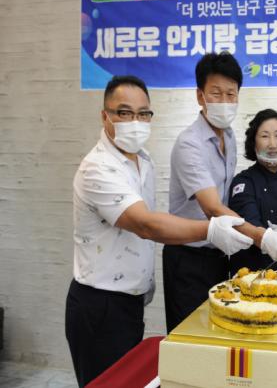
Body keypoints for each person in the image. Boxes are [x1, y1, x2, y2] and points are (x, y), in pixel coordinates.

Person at [66, 75, 253, 387]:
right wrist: (211, 230)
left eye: (143, 114)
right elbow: (146, 224)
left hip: (130, 301)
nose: (135, 122)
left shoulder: (143, 160)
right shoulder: (97, 167)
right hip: (100, 303)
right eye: (124, 113)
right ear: (105, 116)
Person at [164, 52, 277, 333]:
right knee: (189, 336)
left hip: (219, 255)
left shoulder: (230, 137)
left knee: (217, 334)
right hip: (188, 256)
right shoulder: (190, 144)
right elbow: (213, 207)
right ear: (200, 96)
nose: (224, 101)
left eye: (231, 94)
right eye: (216, 93)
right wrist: (262, 236)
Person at [228, 109, 277, 274]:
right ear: (253, 143)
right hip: (251, 276)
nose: (273, 144)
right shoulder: (243, 181)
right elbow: (249, 222)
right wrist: (272, 236)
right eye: (265, 136)